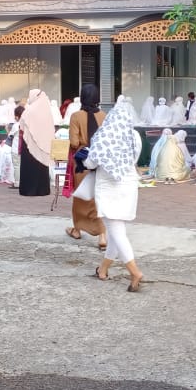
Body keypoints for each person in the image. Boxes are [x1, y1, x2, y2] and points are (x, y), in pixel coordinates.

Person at [85, 102, 145, 292]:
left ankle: (134, 271)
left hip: (109, 188)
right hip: (128, 186)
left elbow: (91, 163)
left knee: (117, 232)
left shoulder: (104, 136)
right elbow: (135, 159)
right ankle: (103, 269)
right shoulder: (134, 136)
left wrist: (84, 158)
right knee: (114, 232)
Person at [66, 84, 107, 249]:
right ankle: (103, 235)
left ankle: (77, 229)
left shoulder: (76, 116)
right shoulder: (104, 115)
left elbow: (74, 142)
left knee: (82, 196)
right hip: (101, 161)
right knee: (100, 197)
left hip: (83, 161)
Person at [19, 89, 54, 197]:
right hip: (44, 144)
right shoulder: (47, 111)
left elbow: (22, 125)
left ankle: (29, 190)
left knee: (30, 167)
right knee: (41, 166)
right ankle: (42, 190)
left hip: (29, 144)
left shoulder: (29, 110)